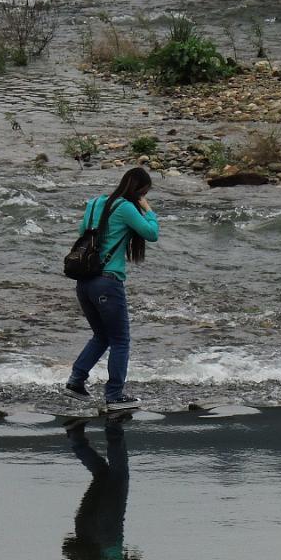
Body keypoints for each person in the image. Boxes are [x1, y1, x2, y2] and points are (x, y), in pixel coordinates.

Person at [64, 168, 159, 412]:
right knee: (120, 340)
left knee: (101, 336)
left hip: (84, 281)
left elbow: (83, 232)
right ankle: (115, 395)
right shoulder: (125, 207)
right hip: (107, 281)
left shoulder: (94, 203)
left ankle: (76, 381)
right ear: (140, 191)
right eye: (145, 193)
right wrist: (148, 210)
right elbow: (151, 234)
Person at [62, 418, 156, 560]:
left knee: (119, 475)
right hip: (84, 530)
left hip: (107, 533)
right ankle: (75, 434)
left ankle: (114, 424)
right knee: (102, 475)